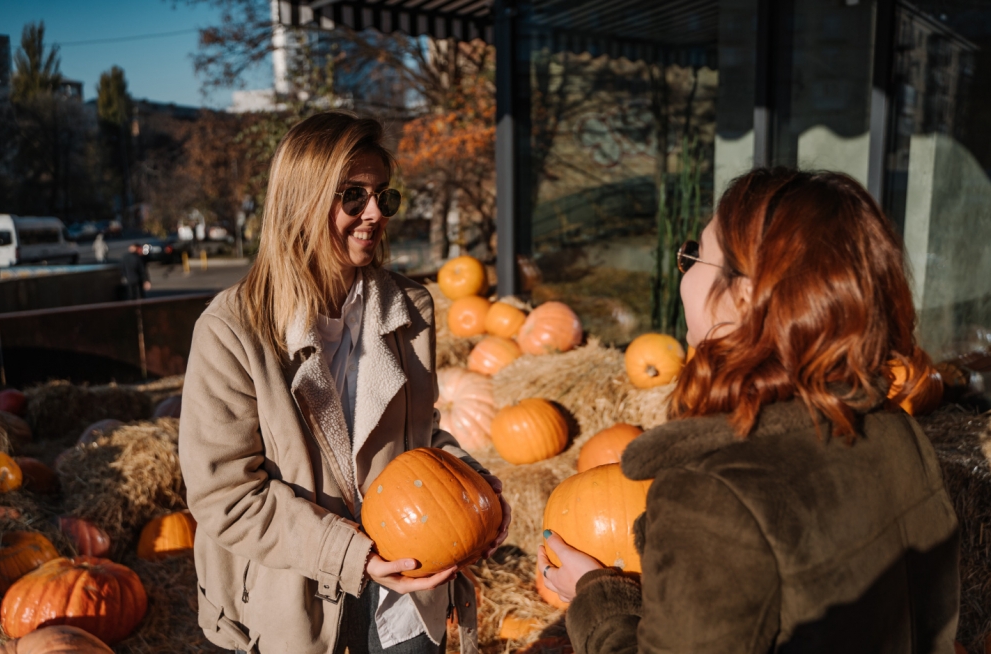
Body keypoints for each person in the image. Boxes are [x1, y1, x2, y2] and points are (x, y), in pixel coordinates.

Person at [540, 168, 960, 654]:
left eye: (695, 254)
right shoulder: (897, 432)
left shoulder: (715, 492)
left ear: (741, 296)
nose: (685, 272)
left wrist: (597, 597)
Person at [178, 112, 511, 654]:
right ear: (300, 202)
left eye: (384, 195)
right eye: (352, 196)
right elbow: (226, 496)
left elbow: (418, 440)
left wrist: (470, 487)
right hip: (294, 599)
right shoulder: (232, 331)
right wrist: (353, 555)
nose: (375, 214)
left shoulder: (410, 308)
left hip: (407, 589)